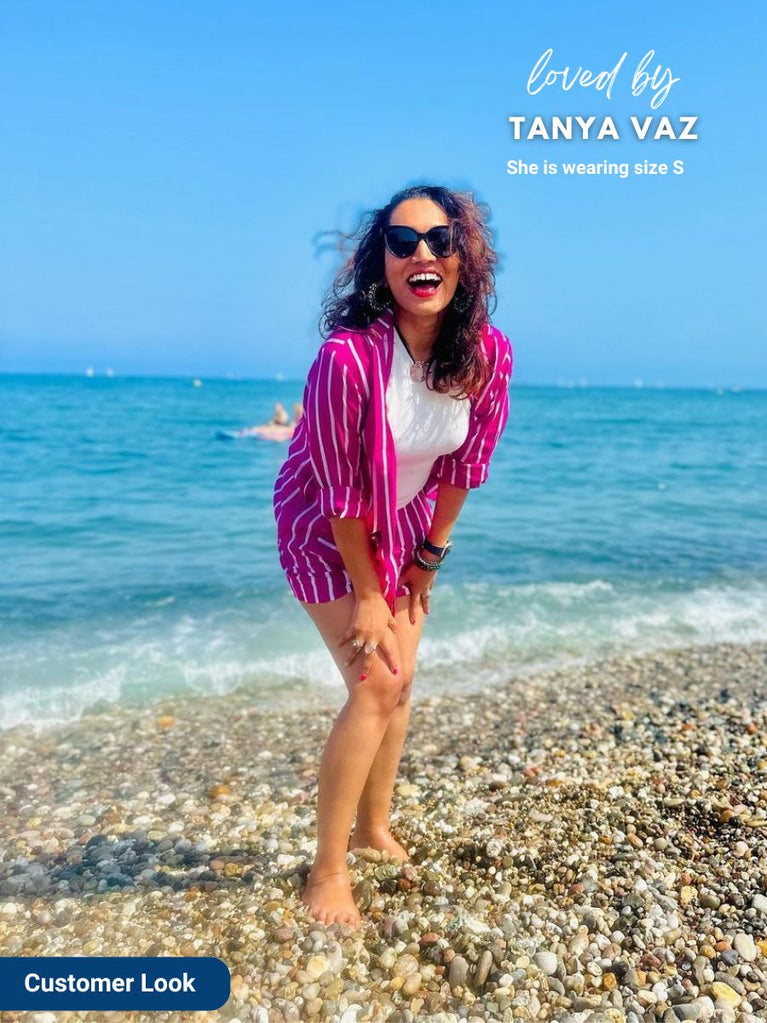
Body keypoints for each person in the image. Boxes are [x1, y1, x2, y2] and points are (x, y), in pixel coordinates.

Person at [272, 184, 513, 929]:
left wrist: (428, 557)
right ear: (382, 262)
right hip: (325, 524)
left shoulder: (485, 354)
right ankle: (327, 870)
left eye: (439, 240)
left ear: (463, 258)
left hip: (407, 522)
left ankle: (372, 829)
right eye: (402, 242)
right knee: (375, 684)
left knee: (402, 683)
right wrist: (370, 592)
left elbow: (464, 465)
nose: (421, 255)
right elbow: (341, 492)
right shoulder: (347, 361)